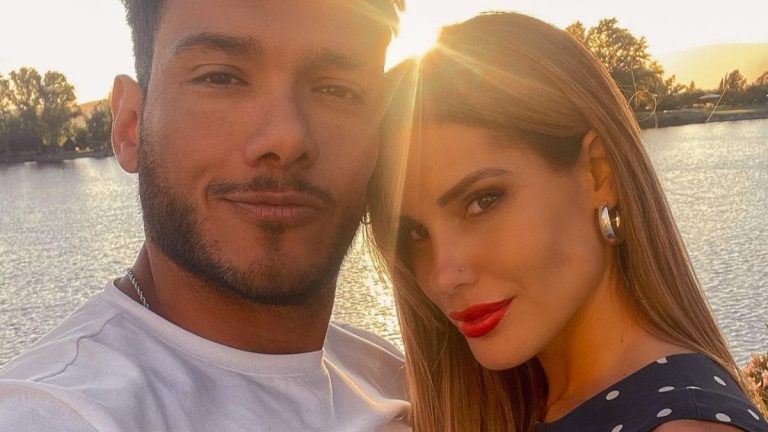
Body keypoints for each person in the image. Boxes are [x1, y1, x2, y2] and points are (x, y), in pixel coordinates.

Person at [0, 0, 410, 430]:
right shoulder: (57, 414)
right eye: (220, 78)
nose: (287, 138)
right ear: (130, 126)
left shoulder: (392, 373)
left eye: (337, 90)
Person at [367, 12, 768, 432]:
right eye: (415, 232)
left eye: (483, 201)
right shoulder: (527, 406)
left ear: (599, 172)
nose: (444, 275)